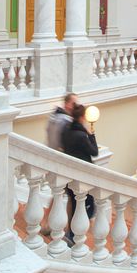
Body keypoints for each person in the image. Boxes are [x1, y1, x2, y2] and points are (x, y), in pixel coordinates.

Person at [59, 104, 99, 246]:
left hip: (69, 174)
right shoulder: (82, 135)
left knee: (75, 205)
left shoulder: (66, 130)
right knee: (88, 206)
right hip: (81, 176)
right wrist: (91, 134)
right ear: (82, 117)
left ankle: (71, 233)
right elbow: (94, 151)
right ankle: (73, 235)